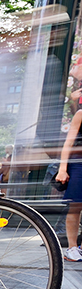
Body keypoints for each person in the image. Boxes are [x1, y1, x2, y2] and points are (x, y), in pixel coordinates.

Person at [55, 59, 82, 262]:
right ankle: (72, 248)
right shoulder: (80, 115)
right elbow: (67, 144)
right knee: (75, 206)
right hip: (79, 165)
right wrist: (62, 169)